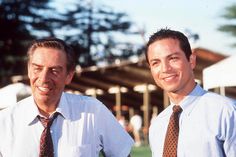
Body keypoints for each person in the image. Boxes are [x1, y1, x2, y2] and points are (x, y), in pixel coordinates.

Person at [0, 38, 134, 157]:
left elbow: (122, 154)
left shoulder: (93, 111)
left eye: (54, 71)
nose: (44, 78)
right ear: (29, 70)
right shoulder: (5, 121)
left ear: (69, 76)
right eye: (37, 68)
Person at [146, 28, 236, 157]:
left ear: (191, 60)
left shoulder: (226, 112)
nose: (165, 68)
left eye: (173, 58)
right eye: (156, 63)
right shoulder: (157, 125)